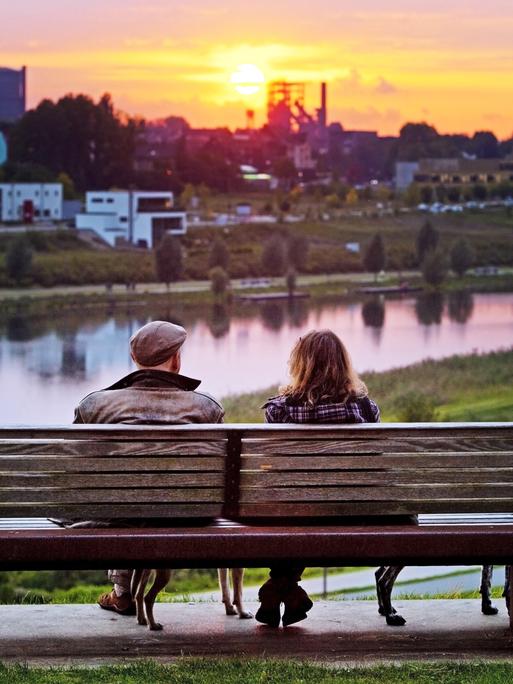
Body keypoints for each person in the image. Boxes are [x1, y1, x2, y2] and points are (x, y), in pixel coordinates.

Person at [72, 320, 224, 615]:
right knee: (137, 504)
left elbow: (77, 473)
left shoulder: (94, 406)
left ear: (135, 362)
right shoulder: (207, 408)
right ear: (177, 360)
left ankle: (122, 592)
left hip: (117, 515)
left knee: (123, 503)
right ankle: (125, 591)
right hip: (189, 516)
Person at [255, 329, 380, 628]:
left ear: (300, 364)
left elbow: (271, 467)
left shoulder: (279, 410)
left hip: (293, 510)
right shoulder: (363, 408)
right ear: (342, 363)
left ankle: (276, 589)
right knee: (309, 510)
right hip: (350, 510)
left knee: (296, 511)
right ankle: (284, 591)